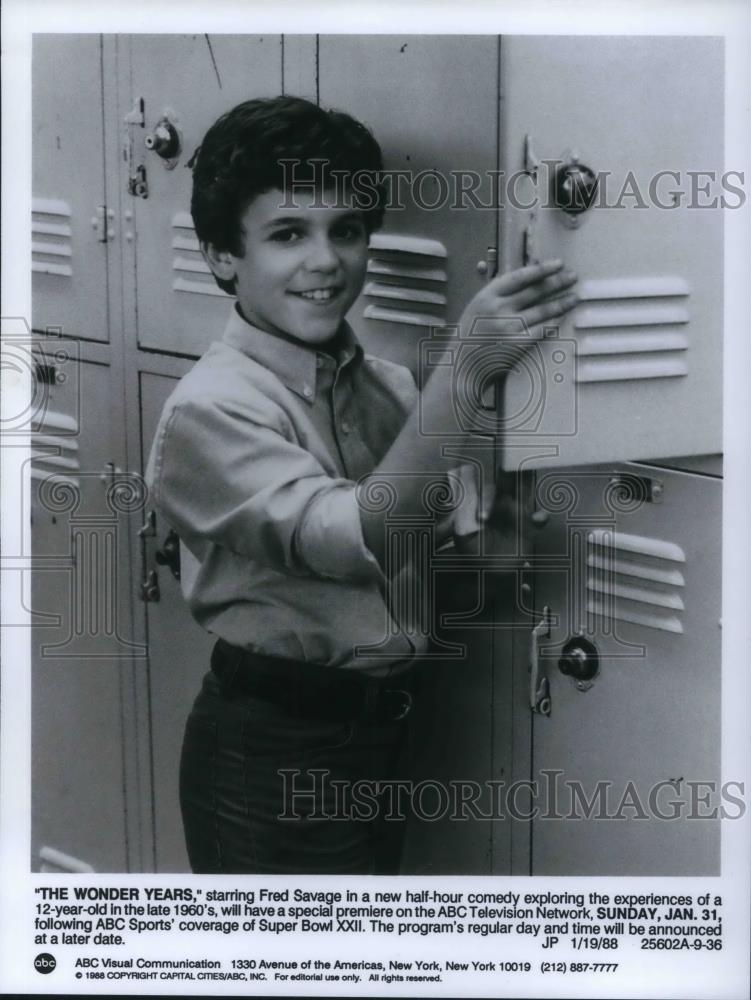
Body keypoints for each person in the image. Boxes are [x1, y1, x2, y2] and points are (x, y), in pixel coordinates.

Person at [145, 95, 578, 875]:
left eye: (346, 230)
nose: (325, 260)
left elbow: (432, 556)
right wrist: (468, 369)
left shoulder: (384, 389)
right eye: (287, 234)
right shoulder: (208, 411)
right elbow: (355, 541)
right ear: (220, 257)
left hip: (382, 737)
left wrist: (507, 526)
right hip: (270, 755)